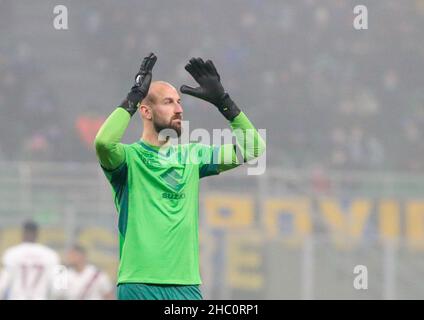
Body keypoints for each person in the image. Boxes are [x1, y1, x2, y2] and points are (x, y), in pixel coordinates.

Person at [94, 53, 265, 300]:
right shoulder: (128, 160)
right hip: (139, 284)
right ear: (146, 111)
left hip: (187, 287)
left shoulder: (193, 156)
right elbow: (103, 143)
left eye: (178, 102)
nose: (179, 109)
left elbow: (254, 148)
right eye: (168, 102)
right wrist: (133, 96)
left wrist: (224, 103)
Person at [0, 221, 60, 300]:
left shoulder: (11, 253)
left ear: (23, 233)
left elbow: (3, 284)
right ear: (37, 234)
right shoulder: (51, 254)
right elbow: (59, 287)